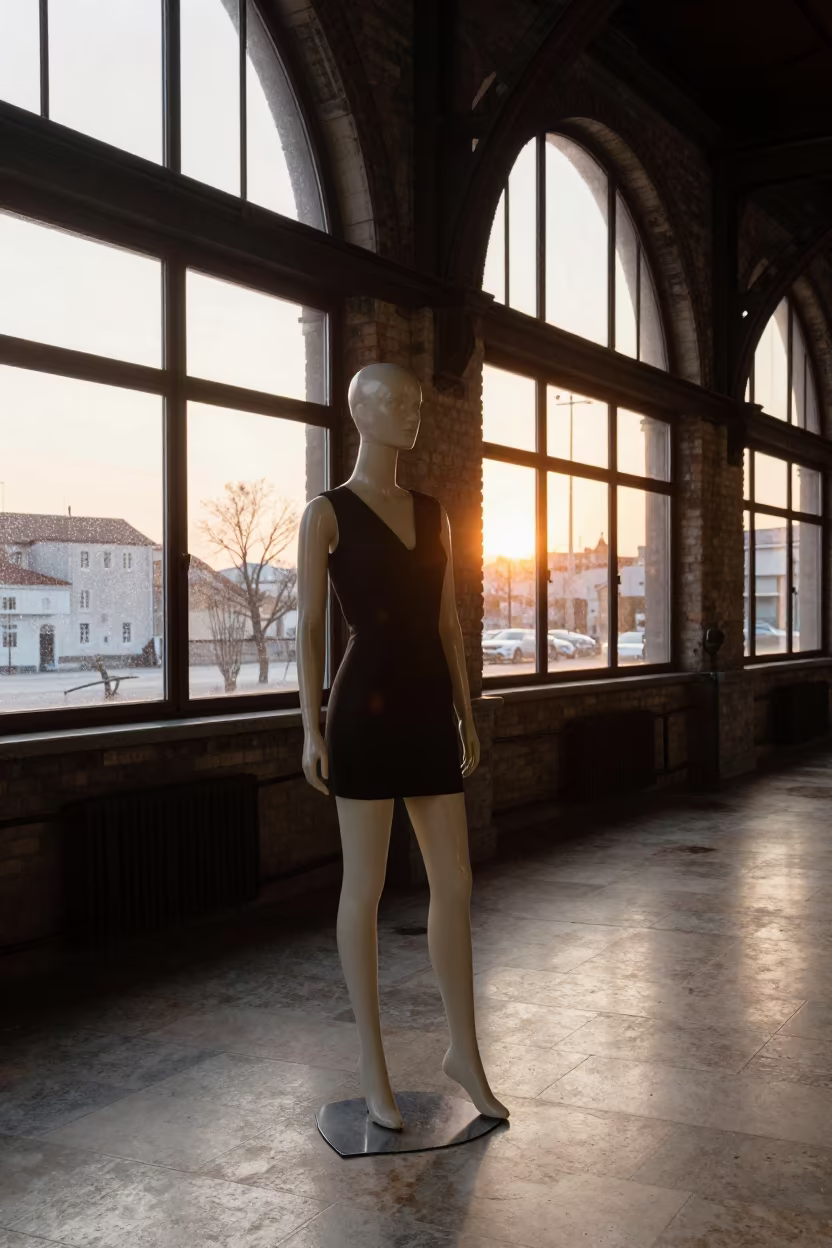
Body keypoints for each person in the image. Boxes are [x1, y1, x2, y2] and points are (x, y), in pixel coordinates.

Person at [297, 361, 508, 1130]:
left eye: (417, 400)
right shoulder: (326, 513)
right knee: (366, 888)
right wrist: (309, 728)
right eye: (396, 401)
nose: (412, 412)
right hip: (361, 710)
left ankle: (465, 1055)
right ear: (361, 412)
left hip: (425, 708)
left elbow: (449, 623)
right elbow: (313, 629)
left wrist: (466, 711)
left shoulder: (435, 511)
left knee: (455, 883)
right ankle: (372, 1068)